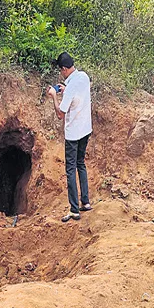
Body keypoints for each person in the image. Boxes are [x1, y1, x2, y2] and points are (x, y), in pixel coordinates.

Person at [46, 52, 93, 223]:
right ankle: (85, 202)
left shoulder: (71, 86)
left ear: (65, 69)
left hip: (73, 134)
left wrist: (54, 96)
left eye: (61, 70)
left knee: (70, 169)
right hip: (86, 129)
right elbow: (77, 96)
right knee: (81, 163)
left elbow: (60, 114)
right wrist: (66, 91)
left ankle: (74, 209)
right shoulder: (84, 76)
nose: (61, 73)